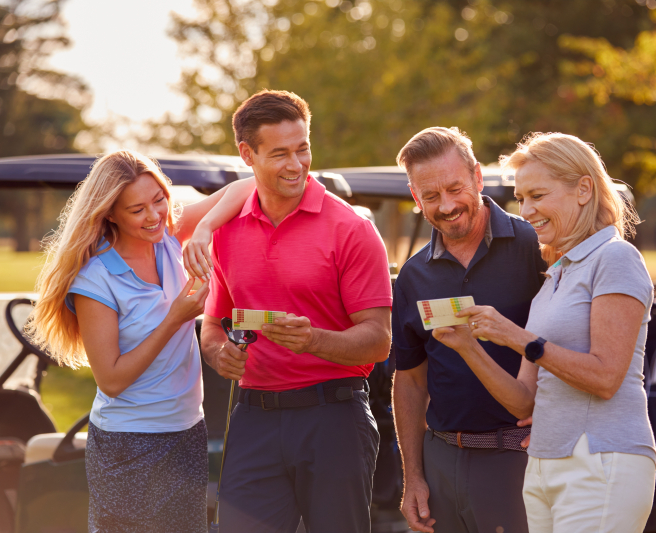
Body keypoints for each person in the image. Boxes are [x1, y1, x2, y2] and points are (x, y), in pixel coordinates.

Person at [437, 132, 656, 533]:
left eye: (537, 195)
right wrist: (470, 348)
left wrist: (516, 337)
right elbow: (524, 403)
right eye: (521, 199)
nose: (527, 211)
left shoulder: (616, 258)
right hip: (542, 466)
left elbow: (606, 377)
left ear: (583, 190)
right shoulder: (556, 276)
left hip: (600, 461)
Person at [28, 150, 255, 533]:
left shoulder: (169, 239)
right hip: (129, 444)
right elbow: (112, 380)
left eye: (159, 200)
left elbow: (247, 185)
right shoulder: (95, 279)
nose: (153, 216)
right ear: (110, 213)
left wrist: (204, 229)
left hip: (187, 432)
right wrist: (175, 319)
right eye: (137, 210)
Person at [198, 89, 392, 533]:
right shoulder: (228, 231)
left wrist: (314, 340)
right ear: (247, 154)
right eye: (280, 153)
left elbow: (379, 341)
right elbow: (213, 323)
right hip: (252, 418)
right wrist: (216, 352)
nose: (296, 164)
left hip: (334, 418)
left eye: (302, 148)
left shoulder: (353, 230)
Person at [391, 127, 546, 533]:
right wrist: (413, 476)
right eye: (430, 196)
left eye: (455, 188)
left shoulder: (537, 247)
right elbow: (408, 381)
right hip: (441, 462)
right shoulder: (412, 275)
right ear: (415, 196)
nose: (446, 205)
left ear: (477, 177)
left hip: (521, 458)